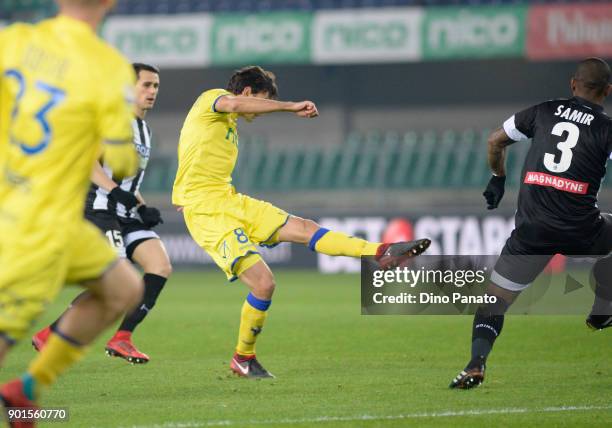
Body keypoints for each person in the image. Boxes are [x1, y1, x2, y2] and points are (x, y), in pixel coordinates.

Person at [172, 66, 430, 379]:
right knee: (264, 283)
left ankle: (382, 251)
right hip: (205, 210)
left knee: (305, 227)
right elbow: (235, 104)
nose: (263, 111)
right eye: (264, 102)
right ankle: (243, 357)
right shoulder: (212, 99)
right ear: (249, 91)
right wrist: (289, 106)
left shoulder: (230, 125)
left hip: (230, 201)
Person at [0, 0, 143, 422]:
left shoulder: (14, 40)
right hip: (36, 224)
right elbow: (123, 160)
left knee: (124, 289)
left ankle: (25, 388)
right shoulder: (109, 67)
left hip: (52, 217)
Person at [450, 57, 612, 389]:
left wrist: (498, 179)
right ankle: (602, 307)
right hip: (583, 229)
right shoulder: (607, 128)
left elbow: (495, 140)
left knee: (494, 301)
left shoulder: (543, 111)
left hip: (532, 232)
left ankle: (475, 364)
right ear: (608, 91)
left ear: (572, 84)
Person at [32, 63, 171, 364]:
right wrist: (115, 192)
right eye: (146, 85)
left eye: (156, 87)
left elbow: (126, 181)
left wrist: (141, 205)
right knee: (118, 285)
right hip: (99, 209)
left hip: (124, 211)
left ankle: (123, 338)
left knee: (159, 266)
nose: (152, 92)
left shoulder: (144, 130)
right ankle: (50, 336)